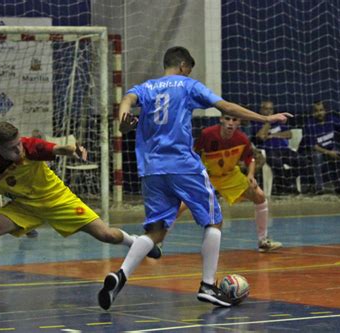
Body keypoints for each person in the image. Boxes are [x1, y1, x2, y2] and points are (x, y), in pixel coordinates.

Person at [97, 46, 291, 310]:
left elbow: (127, 101)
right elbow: (225, 106)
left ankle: (120, 275)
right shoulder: (188, 85)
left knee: (155, 231)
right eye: (190, 68)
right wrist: (265, 117)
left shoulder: (146, 87)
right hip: (183, 164)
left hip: (152, 169)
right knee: (214, 221)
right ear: (184, 66)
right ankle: (208, 285)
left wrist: (122, 121)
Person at [0, 121, 161, 309]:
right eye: (12, 148)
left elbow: (58, 149)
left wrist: (73, 149)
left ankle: (137, 242)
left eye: (19, 144)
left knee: (107, 235)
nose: (18, 150)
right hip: (24, 206)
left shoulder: (30, 147)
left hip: (57, 200)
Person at [180, 115, 282, 252]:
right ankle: (156, 240)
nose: (230, 123)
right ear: (221, 119)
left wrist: (250, 175)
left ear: (239, 122)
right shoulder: (207, 134)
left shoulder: (242, 139)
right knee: (180, 204)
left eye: (234, 120)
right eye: (228, 119)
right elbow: (194, 152)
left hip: (229, 176)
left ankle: (263, 240)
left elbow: (250, 158)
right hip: (207, 176)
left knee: (259, 196)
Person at [301, 101, 340, 195]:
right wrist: (329, 153)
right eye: (316, 111)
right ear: (313, 113)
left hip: (332, 149)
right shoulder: (309, 125)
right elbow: (314, 146)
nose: (319, 113)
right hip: (317, 152)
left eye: (321, 110)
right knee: (317, 157)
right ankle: (319, 188)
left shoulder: (332, 119)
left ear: (325, 111)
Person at [252, 100, 303, 195]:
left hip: (284, 149)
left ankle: (288, 177)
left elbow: (289, 134)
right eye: (266, 109)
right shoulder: (257, 122)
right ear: (261, 110)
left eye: (271, 109)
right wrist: (268, 122)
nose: (269, 111)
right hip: (269, 151)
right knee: (277, 163)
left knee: (302, 161)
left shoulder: (278, 122)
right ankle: (286, 188)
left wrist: (272, 135)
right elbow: (261, 136)